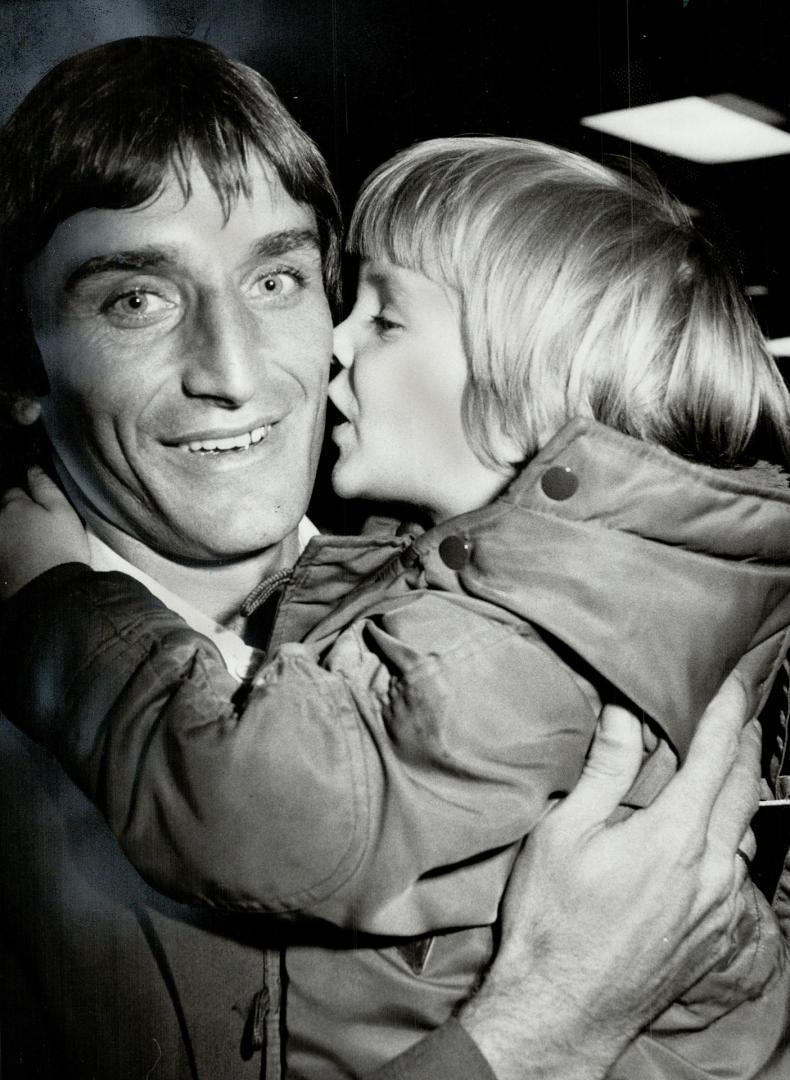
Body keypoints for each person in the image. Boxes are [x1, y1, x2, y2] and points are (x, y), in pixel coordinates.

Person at [0, 36, 779, 1080]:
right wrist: (538, 1028)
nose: (240, 369)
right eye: (136, 299)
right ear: (21, 367)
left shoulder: (489, 625)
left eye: (280, 278)